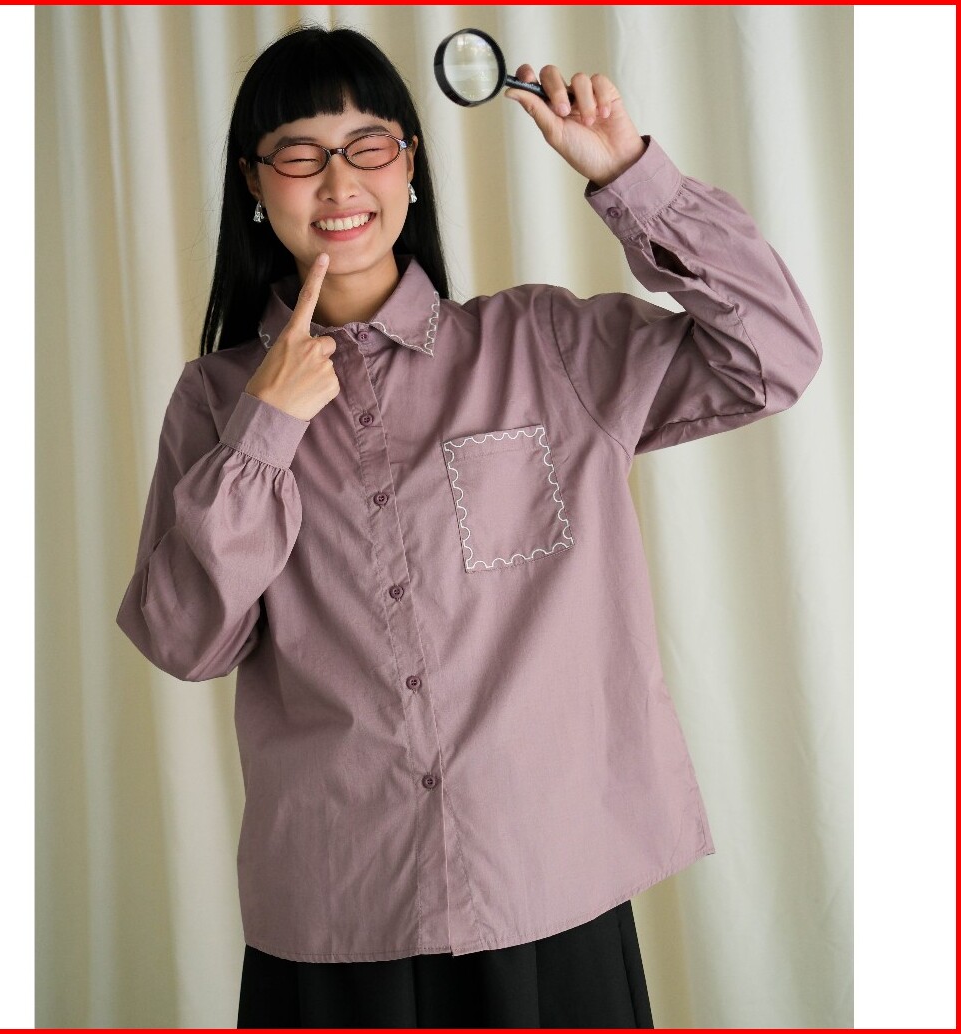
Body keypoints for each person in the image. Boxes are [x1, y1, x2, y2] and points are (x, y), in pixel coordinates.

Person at [116, 23, 822, 1030]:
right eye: (299, 155)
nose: (338, 181)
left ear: (409, 165)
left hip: (549, 887)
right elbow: (187, 640)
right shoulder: (216, 401)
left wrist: (629, 173)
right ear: (254, 184)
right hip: (339, 913)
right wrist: (264, 430)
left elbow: (774, 354)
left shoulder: (542, 344)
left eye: (367, 145)